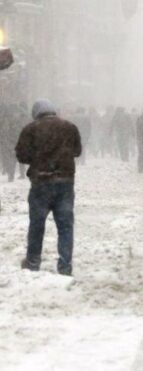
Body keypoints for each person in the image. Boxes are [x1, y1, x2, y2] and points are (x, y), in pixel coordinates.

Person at [15, 100, 82, 276]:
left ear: (36, 113)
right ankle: (65, 266)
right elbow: (77, 151)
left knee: (37, 225)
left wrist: (39, 157)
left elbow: (21, 155)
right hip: (65, 183)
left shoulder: (30, 129)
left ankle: (32, 262)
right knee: (65, 226)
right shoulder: (69, 127)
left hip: (41, 183)